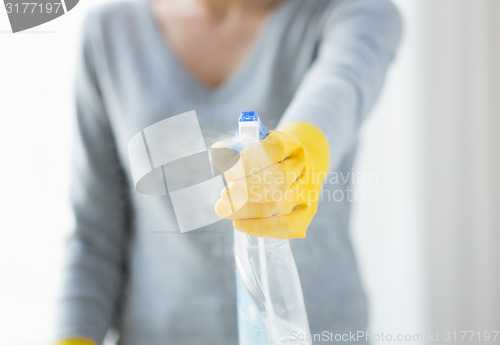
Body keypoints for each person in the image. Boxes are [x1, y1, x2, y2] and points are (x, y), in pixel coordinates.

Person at [54, 0, 401, 344]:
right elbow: (95, 237)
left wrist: (299, 154)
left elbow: (341, 86)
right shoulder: (109, 34)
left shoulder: (351, 12)